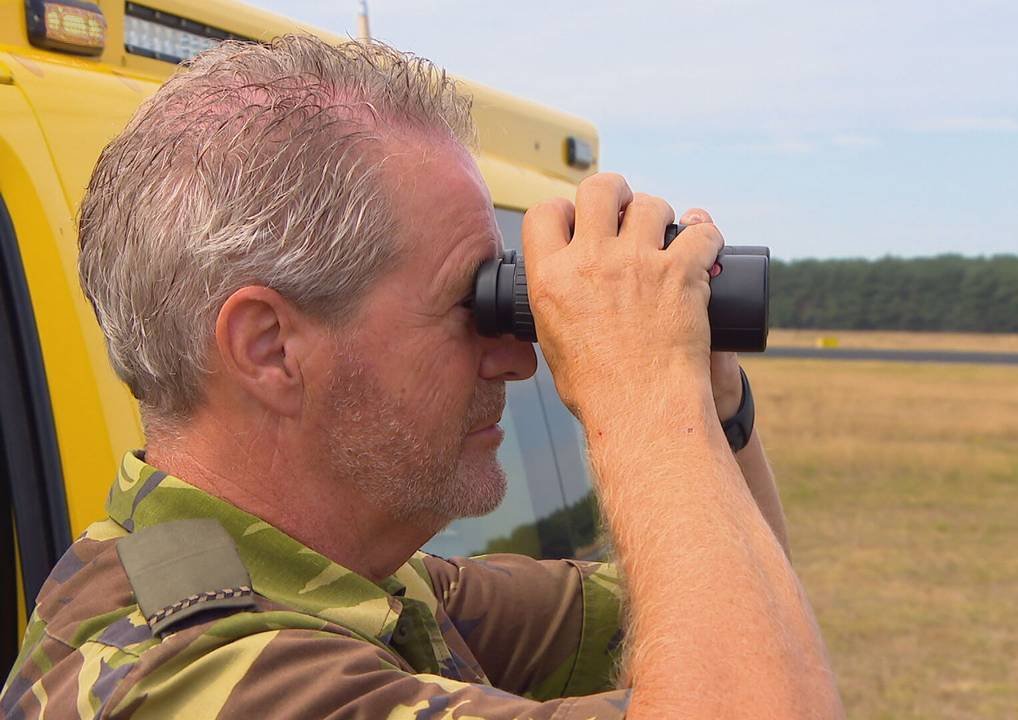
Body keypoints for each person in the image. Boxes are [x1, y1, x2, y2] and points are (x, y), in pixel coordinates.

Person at [0, 36, 841, 718]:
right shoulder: (193, 683)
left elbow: (748, 616)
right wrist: (646, 390)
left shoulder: (346, 575)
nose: (517, 359)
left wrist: (706, 391)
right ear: (269, 347)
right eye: (467, 306)